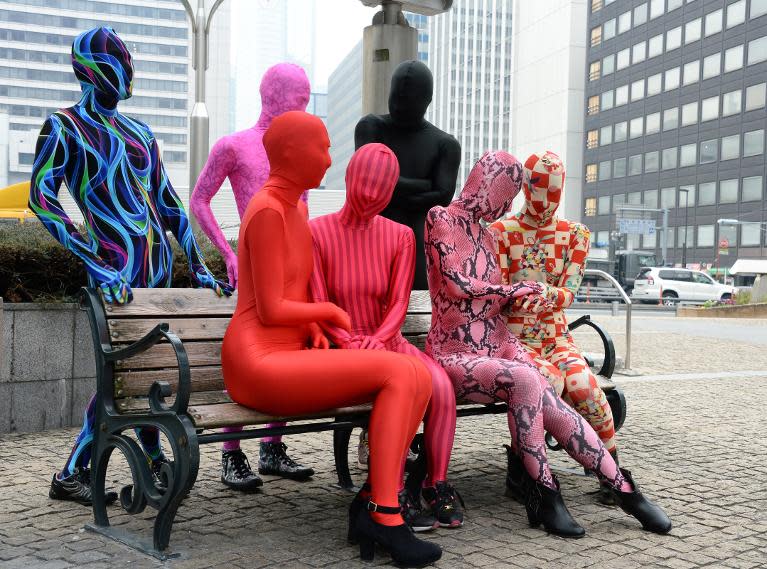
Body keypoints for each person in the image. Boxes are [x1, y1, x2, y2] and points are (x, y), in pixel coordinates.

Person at [221, 111, 441, 567]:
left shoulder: (296, 209)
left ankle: (373, 500)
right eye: (321, 147)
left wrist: (317, 328)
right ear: (291, 154)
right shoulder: (266, 211)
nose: (328, 158)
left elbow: (293, 292)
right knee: (400, 372)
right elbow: (269, 308)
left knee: (417, 374)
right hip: (256, 362)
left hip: (290, 353)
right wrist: (329, 311)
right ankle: (385, 515)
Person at [29, 27, 230, 506]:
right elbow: (42, 198)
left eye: (127, 61)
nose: (127, 73)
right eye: (117, 62)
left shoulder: (140, 133)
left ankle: (148, 461)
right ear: (92, 70)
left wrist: (198, 264)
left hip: (154, 276)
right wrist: (96, 263)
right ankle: (84, 470)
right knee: (121, 377)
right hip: (115, 277)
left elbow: (170, 205)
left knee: (146, 374)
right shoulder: (65, 128)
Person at [424, 150, 672, 537]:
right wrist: (517, 288)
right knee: (526, 379)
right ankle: (545, 491)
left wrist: (522, 294)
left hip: (498, 342)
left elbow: (495, 301)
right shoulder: (440, 218)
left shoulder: (488, 234)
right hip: (456, 351)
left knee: (545, 386)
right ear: (487, 186)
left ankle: (622, 487)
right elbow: (457, 284)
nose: (507, 206)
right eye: (506, 196)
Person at [309, 143, 461, 531]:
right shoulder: (316, 232)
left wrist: (379, 338)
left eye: (382, 190)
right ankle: (387, 491)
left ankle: (434, 483)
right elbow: (319, 299)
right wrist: (348, 340)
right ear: (350, 179)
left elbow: (399, 301)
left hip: (386, 339)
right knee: (404, 386)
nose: (372, 197)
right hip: (340, 345)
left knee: (439, 386)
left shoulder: (399, 236)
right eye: (366, 187)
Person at [190, 63, 315, 490]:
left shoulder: (296, 150)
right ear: (275, 96)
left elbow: (303, 212)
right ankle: (230, 454)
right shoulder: (236, 146)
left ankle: (272, 448)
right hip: (253, 270)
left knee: (285, 357)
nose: (305, 104)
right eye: (300, 97)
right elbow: (199, 199)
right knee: (249, 357)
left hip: (289, 273)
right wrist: (227, 253)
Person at [489, 151, 619, 503]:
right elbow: (496, 292)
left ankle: (612, 470)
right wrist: (517, 296)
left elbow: (569, 290)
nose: (546, 200)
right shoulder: (501, 233)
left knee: (588, 390)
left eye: (554, 191)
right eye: (539, 189)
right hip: (514, 342)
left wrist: (549, 295)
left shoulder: (575, 234)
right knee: (546, 383)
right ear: (525, 189)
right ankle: (524, 470)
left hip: (556, 339)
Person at [354, 60, 460, 291]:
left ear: (427, 101)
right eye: (396, 99)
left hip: (416, 245)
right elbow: (367, 182)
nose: (400, 106)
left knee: (415, 305)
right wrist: (424, 185)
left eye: (408, 101)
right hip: (370, 241)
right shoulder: (371, 126)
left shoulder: (445, 144)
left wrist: (391, 187)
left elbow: (442, 197)